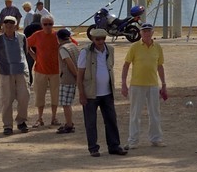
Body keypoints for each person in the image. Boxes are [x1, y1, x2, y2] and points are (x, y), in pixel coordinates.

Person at [78, 28, 127, 157]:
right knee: (90, 122)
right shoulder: (85, 52)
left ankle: (114, 146)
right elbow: (80, 74)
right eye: (97, 39)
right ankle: (93, 148)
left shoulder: (110, 50)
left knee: (111, 120)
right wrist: (81, 94)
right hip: (90, 93)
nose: (100, 41)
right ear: (92, 39)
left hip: (107, 92)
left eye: (103, 39)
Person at [121, 22, 168, 149]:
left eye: (149, 31)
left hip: (153, 85)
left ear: (152, 33)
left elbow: (160, 66)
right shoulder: (135, 47)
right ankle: (133, 140)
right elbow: (126, 65)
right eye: (144, 31)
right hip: (137, 85)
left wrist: (163, 84)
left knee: (155, 113)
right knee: (135, 114)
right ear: (140, 33)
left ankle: (156, 139)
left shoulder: (157, 47)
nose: (147, 33)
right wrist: (123, 83)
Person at [0, 15, 31, 135]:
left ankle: (21, 121)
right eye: (6, 25)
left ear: (15, 26)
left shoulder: (22, 37)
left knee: (24, 97)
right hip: (6, 73)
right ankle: (8, 125)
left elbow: (25, 51)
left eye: (11, 25)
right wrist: (5, 65)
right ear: (3, 26)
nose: (9, 27)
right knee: (7, 99)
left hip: (21, 71)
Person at [28, 15, 64, 130]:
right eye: (45, 24)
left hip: (56, 71)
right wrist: (35, 57)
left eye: (50, 24)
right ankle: (40, 118)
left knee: (55, 95)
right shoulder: (37, 35)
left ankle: (54, 117)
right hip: (40, 70)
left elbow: (70, 44)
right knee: (39, 95)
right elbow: (26, 45)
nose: (48, 26)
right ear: (41, 25)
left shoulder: (58, 35)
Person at [55, 27, 80, 134]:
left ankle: (69, 124)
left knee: (66, 103)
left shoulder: (63, 49)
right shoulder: (73, 46)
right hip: (75, 76)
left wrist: (76, 75)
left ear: (58, 38)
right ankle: (68, 123)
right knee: (67, 102)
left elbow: (69, 63)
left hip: (67, 78)